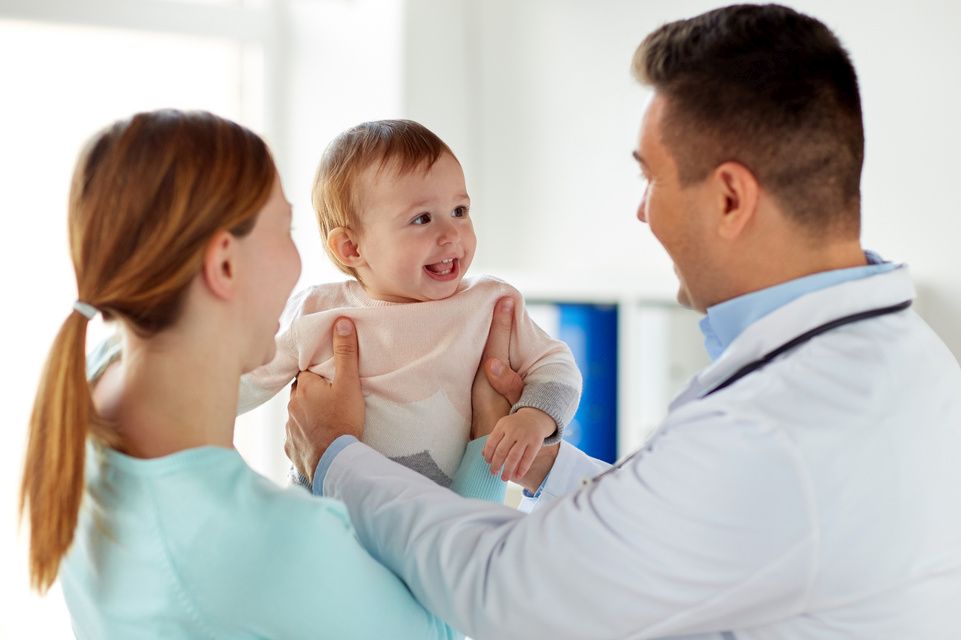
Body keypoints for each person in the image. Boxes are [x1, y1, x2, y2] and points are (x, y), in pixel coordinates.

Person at [285, 4, 961, 638]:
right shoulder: (906, 355)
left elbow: (512, 592)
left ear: (729, 198)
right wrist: (542, 465)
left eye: (651, 180)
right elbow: (703, 528)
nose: (643, 212)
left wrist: (337, 455)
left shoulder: (770, 422)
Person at [18, 109, 506, 638]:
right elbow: (451, 627)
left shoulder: (96, 379)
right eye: (287, 227)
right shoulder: (274, 547)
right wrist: (484, 450)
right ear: (225, 265)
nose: (303, 262)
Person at [239, 119, 581, 486]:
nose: (451, 234)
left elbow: (557, 367)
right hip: (328, 512)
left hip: (444, 514)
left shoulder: (490, 304)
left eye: (460, 211)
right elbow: (241, 385)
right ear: (352, 247)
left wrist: (533, 416)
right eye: (421, 219)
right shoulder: (317, 311)